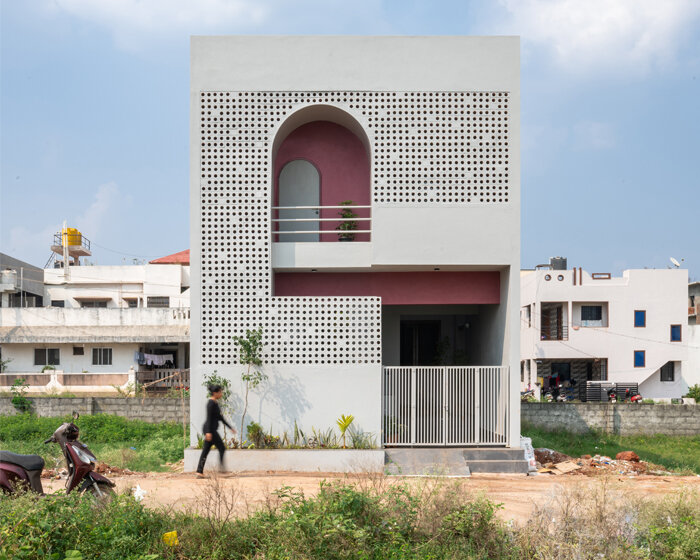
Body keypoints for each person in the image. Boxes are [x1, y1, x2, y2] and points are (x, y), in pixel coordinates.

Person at [196, 384, 235, 477]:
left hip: (211, 429)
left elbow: (220, 418)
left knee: (206, 450)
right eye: (220, 392)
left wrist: (230, 427)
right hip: (210, 430)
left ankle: (199, 471)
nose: (221, 393)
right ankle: (222, 471)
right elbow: (209, 418)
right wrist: (208, 432)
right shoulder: (211, 403)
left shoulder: (215, 403)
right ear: (215, 393)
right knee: (221, 448)